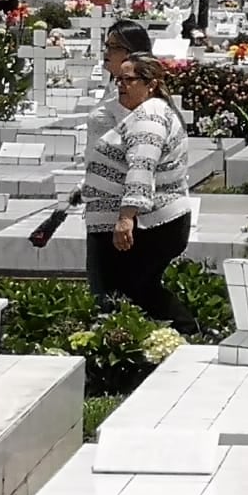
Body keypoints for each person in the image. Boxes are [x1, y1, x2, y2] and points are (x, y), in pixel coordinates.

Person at [83, 52, 194, 332]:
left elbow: (142, 166)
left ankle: (187, 332)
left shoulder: (150, 116)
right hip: (142, 222)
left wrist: (126, 217)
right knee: (134, 289)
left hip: (148, 224)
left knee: (133, 290)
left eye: (129, 79)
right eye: (118, 79)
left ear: (151, 84)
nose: (121, 85)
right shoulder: (143, 114)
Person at [82, 20, 153, 306]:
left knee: (113, 291)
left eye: (114, 47)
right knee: (105, 286)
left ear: (132, 53)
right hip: (100, 201)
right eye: (107, 46)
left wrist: (127, 214)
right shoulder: (115, 91)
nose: (106, 53)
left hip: (117, 206)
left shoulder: (131, 97)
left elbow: (137, 151)